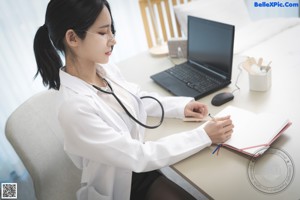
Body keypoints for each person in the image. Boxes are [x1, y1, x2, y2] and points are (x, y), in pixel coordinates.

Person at [33, 0, 234, 200]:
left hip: (139, 168)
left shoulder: (104, 70)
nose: (113, 40)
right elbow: (137, 156)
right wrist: (203, 136)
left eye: (112, 30)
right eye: (103, 33)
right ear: (72, 38)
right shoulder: (74, 109)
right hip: (123, 186)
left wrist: (180, 107)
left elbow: (135, 98)